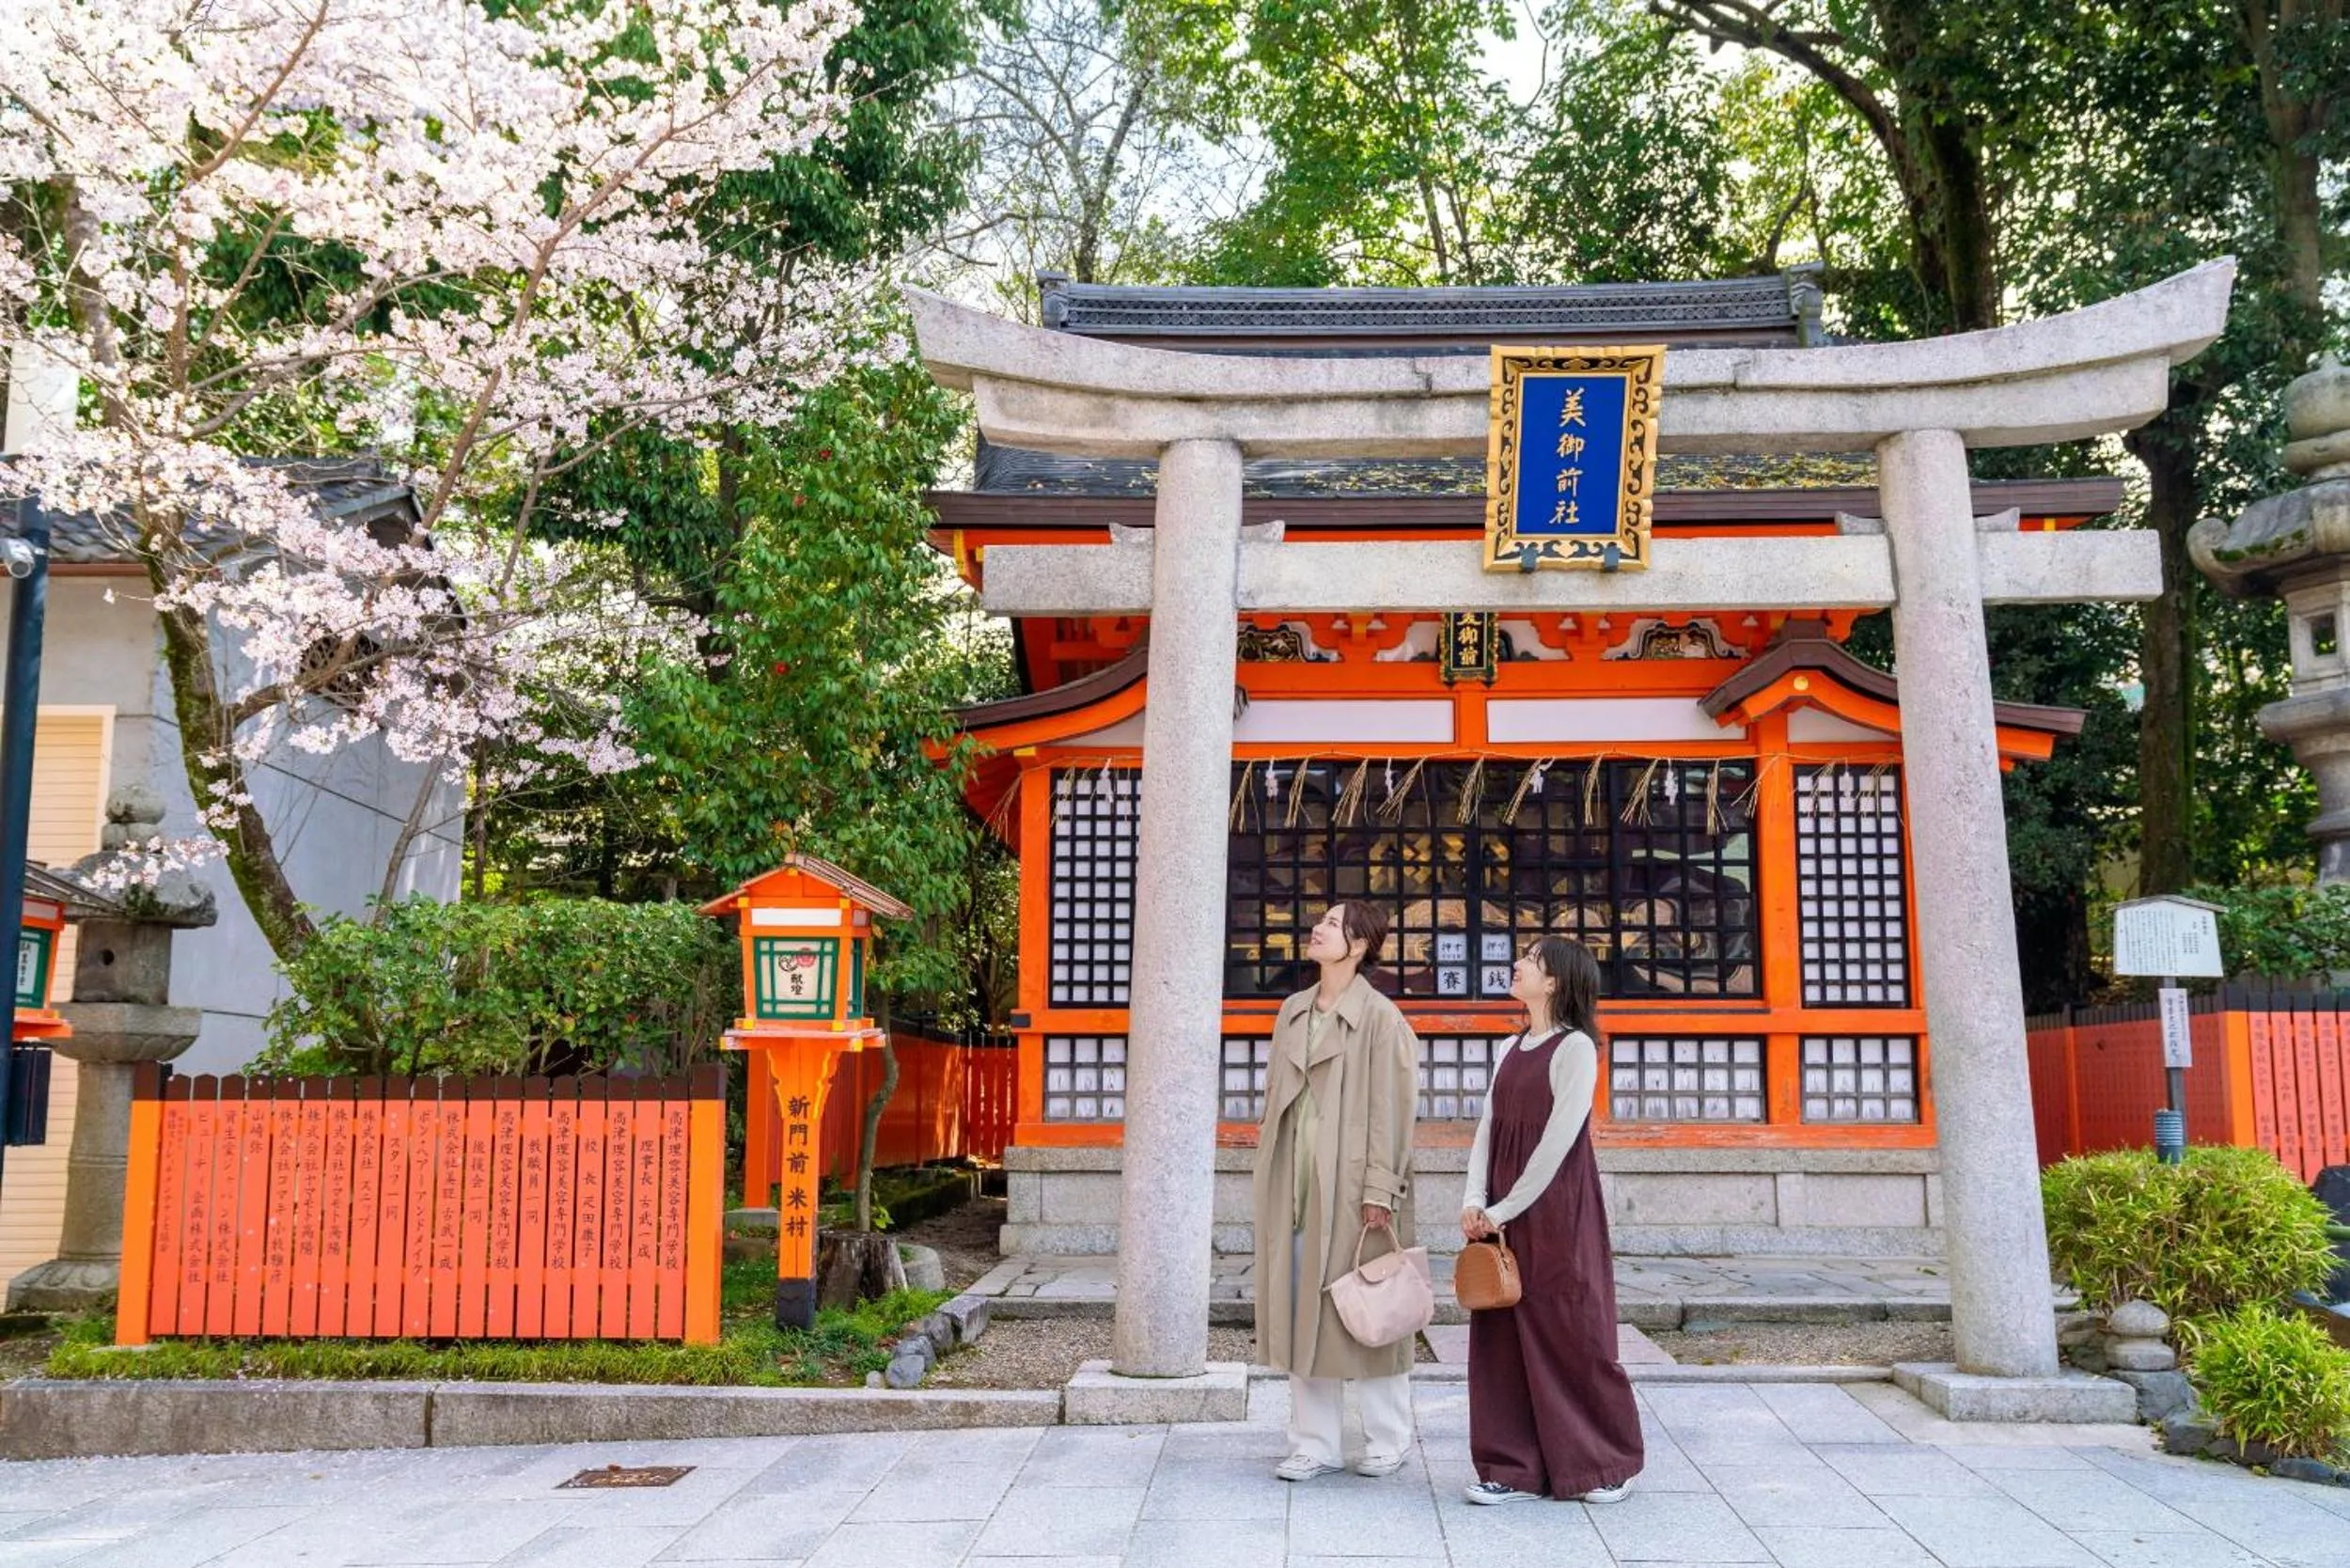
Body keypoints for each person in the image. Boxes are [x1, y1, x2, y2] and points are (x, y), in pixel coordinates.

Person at [1459, 934, 1644, 1505]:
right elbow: (1488, 1129)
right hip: (1499, 1208)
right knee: (1502, 1334)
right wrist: (1473, 1198)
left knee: (1574, 1331)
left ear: (1555, 981)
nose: (1516, 967)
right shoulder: (1510, 1046)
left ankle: (1603, 1464)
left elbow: (1558, 1145)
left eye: (1530, 962)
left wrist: (1502, 1208)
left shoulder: (1576, 1049)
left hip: (1557, 1208)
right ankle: (1510, 1468)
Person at [1251, 902, 1422, 1482]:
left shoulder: (1381, 1018)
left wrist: (1380, 1188)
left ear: (1358, 945)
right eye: (1320, 920)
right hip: (1296, 1184)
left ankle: (1388, 1438)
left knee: (1371, 1309)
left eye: (1331, 923)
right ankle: (1313, 1442)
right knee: (1305, 1310)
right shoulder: (1294, 1010)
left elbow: (1392, 1114)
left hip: (1354, 1190)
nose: (1318, 928)